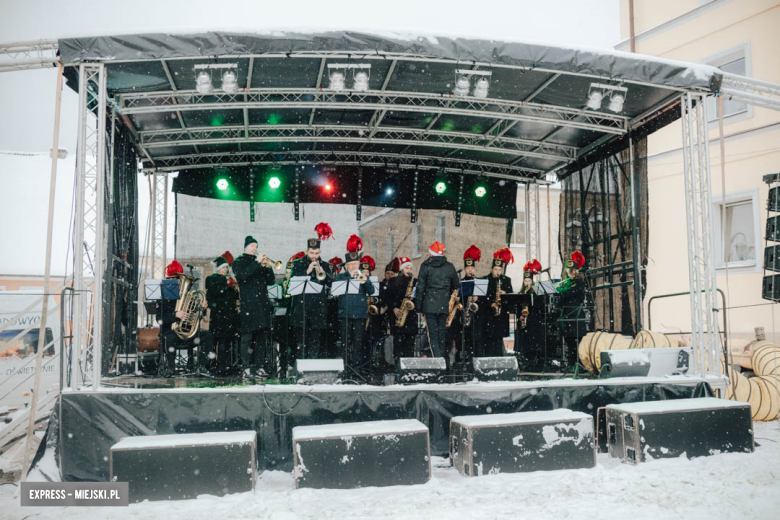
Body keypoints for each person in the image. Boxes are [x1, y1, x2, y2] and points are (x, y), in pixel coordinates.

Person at [156, 260, 213, 377]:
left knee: (208, 336)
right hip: (171, 333)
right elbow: (159, 319)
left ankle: (201, 365)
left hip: (188, 334)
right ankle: (171, 368)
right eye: (175, 279)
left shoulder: (190, 296)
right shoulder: (163, 298)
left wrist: (201, 309)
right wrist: (174, 315)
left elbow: (198, 317)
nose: (178, 283)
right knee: (170, 338)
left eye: (179, 279)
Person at [232, 236, 276, 378]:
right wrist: (257, 262)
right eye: (252, 246)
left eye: (256, 246)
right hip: (249, 305)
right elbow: (242, 276)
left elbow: (271, 281)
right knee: (247, 338)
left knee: (262, 338)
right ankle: (245, 368)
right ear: (245, 247)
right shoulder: (239, 262)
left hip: (262, 305)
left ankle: (259, 367)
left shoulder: (259, 264)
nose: (255, 249)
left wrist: (268, 268)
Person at [289, 223, 334, 358]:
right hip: (301, 308)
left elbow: (331, 283)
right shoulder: (297, 264)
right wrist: (307, 270)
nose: (314, 256)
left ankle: (311, 367)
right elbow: (292, 281)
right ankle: (301, 368)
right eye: (311, 253)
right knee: (301, 341)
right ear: (307, 251)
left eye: (316, 253)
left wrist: (322, 271)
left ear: (320, 252)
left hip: (318, 309)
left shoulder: (325, 265)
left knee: (315, 340)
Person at [414, 241, 460, 369]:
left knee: (432, 336)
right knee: (441, 335)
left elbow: (420, 288)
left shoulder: (425, 266)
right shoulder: (450, 266)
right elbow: (456, 285)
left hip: (429, 305)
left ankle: (438, 362)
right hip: (444, 305)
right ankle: (444, 362)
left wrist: (418, 307)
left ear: (430, 253)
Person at [334, 239, 375, 369]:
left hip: (360, 314)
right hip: (345, 314)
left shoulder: (363, 276)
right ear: (346, 266)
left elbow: (372, 291)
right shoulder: (341, 277)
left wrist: (364, 280)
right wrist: (349, 278)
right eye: (351, 264)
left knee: (358, 342)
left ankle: (357, 368)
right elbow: (335, 291)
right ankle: (345, 367)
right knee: (346, 343)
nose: (353, 267)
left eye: (356, 264)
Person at [204, 251, 239, 375]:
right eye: (224, 267)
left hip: (229, 315)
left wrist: (234, 288)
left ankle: (222, 366)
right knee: (214, 341)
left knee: (225, 341)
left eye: (226, 267)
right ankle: (210, 364)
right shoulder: (211, 279)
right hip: (218, 314)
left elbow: (234, 296)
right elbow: (213, 292)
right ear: (218, 268)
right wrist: (226, 285)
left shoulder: (228, 280)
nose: (226, 270)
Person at [557, 250, 590, 367]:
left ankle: (579, 365)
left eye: (572, 271)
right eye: (568, 271)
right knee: (569, 342)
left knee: (577, 343)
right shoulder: (567, 283)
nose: (570, 273)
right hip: (566, 316)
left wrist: (560, 291)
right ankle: (571, 364)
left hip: (575, 316)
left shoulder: (579, 282)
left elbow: (569, 294)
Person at [449, 245, 481, 365]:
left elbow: (484, 300)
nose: (470, 270)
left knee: (473, 339)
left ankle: (472, 360)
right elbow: (455, 298)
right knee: (461, 339)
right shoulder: (460, 282)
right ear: (464, 269)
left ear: (475, 270)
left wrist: (477, 298)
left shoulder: (478, 282)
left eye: (472, 268)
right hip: (462, 315)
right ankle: (461, 359)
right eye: (467, 268)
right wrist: (457, 298)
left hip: (474, 317)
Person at [481, 247, 514, 357]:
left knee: (499, 339)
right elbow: (482, 297)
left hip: (501, 314)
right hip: (489, 314)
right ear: (492, 269)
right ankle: (489, 360)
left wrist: (505, 293)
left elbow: (511, 295)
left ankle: (498, 359)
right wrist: (491, 303)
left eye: (500, 270)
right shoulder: (485, 280)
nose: (498, 272)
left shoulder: (506, 280)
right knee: (489, 340)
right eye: (496, 270)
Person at [386, 256, 418, 361]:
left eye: (410, 268)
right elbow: (388, 298)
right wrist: (394, 308)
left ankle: (409, 366)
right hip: (398, 315)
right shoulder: (393, 281)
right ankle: (398, 365)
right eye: (406, 268)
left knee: (410, 344)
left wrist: (415, 298)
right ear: (401, 269)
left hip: (411, 316)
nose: (409, 271)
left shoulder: (415, 282)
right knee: (398, 343)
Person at [516, 259, 545, 370]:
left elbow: (540, 305)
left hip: (533, 321)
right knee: (525, 343)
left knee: (533, 343)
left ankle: (535, 362)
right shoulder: (521, 293)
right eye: (525, 281)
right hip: (524, 322)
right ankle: (526, 362)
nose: (527, 283)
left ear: (532, 281)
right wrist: (520, 315)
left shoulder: (536, 291)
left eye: (529, 281)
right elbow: (517, 306)